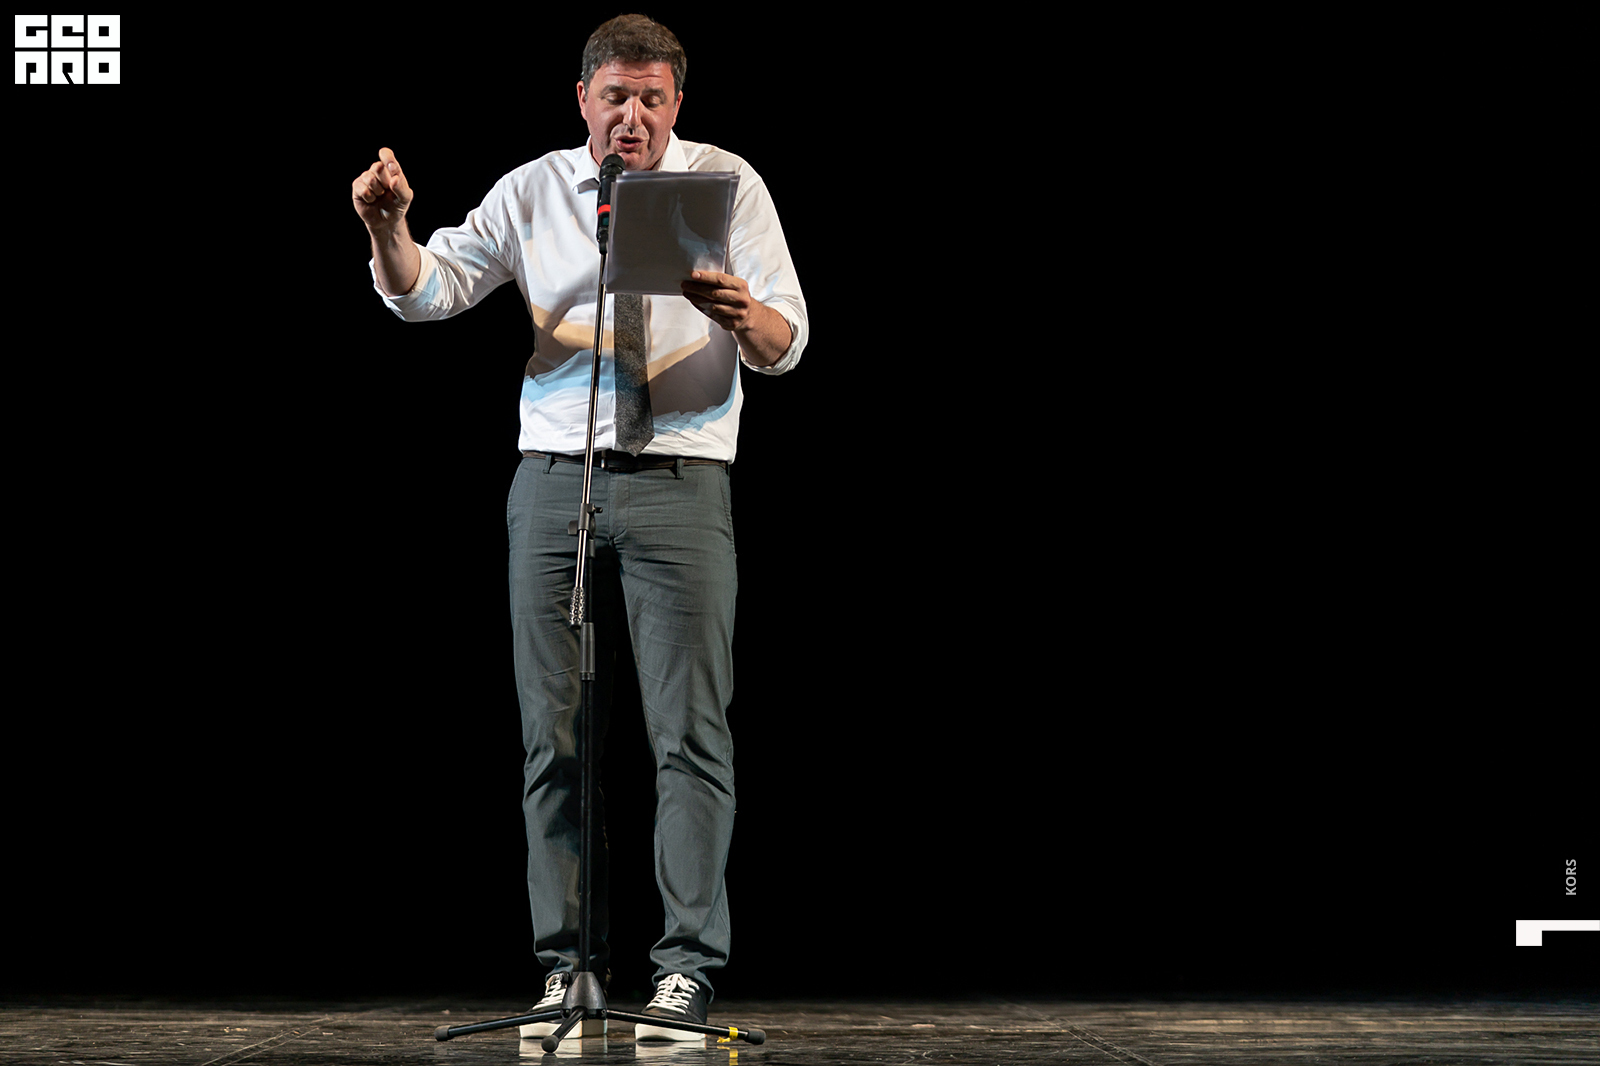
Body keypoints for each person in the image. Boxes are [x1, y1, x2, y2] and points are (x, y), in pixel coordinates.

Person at [350, 13, 806, 1043]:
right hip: (557, 480)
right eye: (615, 98)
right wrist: (387, 230)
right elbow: (430, 293)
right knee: (551, 735)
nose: (632, 117)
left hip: (683, 478)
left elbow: (788, 339)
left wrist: (740, 313)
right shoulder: (534, 190)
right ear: (583, 101)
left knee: (688, 733)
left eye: (652, 99)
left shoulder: (727, 184)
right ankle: (567, 966)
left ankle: (684, 971)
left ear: (677, 104)